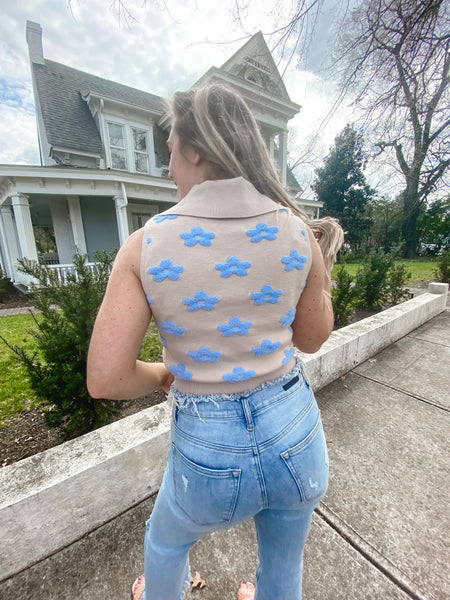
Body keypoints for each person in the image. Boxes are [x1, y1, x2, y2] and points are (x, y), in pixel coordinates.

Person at [87, 83, 343, 600]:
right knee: (283, 561)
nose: (167, 169)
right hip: (297, 437)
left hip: (207, 456)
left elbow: (106, 378)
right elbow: (313, 339)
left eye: (170, 153)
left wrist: (162, 374)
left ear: (196, 150)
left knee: (165, 542)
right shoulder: (297, 233)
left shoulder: (146, 245)